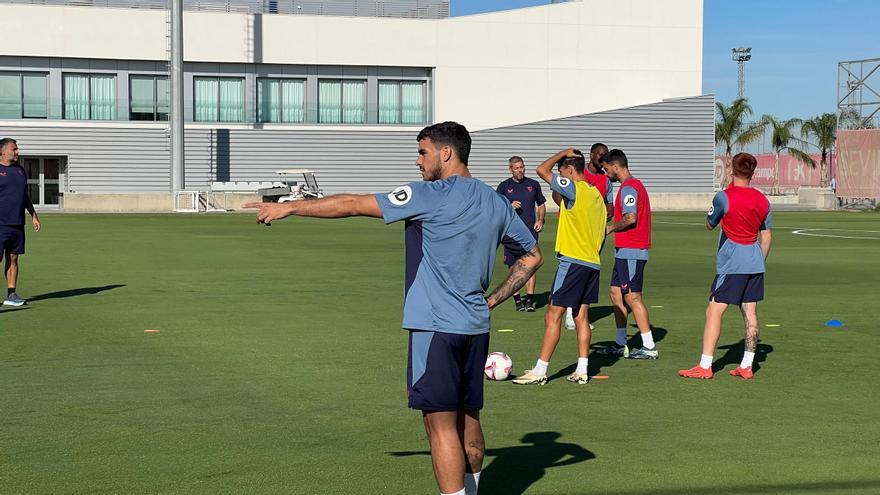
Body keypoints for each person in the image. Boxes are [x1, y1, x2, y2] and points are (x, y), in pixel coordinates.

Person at [245, 122, 543, 495]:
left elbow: (353, 204)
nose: (418, 161)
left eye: (423, 152)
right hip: (475, 327)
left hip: (435, 327)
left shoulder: (430, 194)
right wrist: (492, 301)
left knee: (440, 426)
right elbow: (532, 257)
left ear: (446, 153)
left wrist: (289, 208)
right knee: (469, 420)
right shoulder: (495, 201)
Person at [512, 148, 606, 385]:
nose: (558, 174)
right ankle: (582, 369)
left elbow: (541, 170)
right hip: (592, 263)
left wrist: (562, 153)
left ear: (569, 170)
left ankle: (540, 370)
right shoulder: (598, 197)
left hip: (572, 261)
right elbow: (603, 234)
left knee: (553, 314)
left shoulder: (574, 188)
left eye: (561, 169)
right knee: (581, 316)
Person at [679, 152, 772, 380]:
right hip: (755, 262)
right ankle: (747, 365)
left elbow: (709, 224)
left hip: (732, 263)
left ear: (731, 170)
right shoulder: (763, 200)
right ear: (753, 172)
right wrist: (757, 260)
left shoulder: (723, 197)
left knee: (714, 310)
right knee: (750, 313)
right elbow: (767, 237)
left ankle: (705, 365)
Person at [595, 149, 657, 359]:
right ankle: (621, 343)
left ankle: (649, 347)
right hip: (623, 251)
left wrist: (610, 227)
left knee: (632, 297)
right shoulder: (628, 187)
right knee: (615, 293)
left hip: (632, 250)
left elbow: (631, 217)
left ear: (615, 165)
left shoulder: (630, 188)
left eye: (606, 169)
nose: (606, 173)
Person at [564, 143, 613, 330]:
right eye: (601, 155)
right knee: (573, 271)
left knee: (588, 272)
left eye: (606, 155)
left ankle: (581, 315)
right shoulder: (577, 172)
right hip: (575, 229)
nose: (603, 158)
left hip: (593, 232)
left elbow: (610, 204)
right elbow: (558, 195)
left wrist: (605, 214)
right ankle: (569, 313)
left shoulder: (606, 180)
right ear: (592, 155)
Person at [496, 156, 546, 311]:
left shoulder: (533, 184)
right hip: (510, 233)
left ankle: (530, 299)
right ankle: (517, 299)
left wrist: (541, 220)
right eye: (517, 168)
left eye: (522, 167)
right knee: (514, 266)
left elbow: (541, 204)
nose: (520, 170)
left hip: (530, 231)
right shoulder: (504, 186)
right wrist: (509, 205)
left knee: (531, 265)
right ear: (511, 169)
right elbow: (496, 207)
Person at [0, 138, 41, 307]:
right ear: (2, 151)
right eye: (14, 149)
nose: (17, 151)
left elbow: (24, 196)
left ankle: (11, 295)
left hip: (17, 223)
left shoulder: (20, 170)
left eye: (17, 149)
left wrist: (33, 214)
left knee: (14, 258)